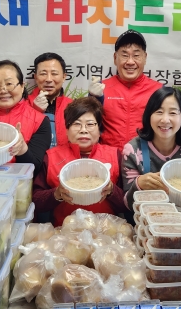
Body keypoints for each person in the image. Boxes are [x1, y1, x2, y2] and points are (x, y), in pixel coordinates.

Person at [32, 97, 126, 226]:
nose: (83, 130)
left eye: (90, 124)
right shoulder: (51, 157)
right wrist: (56, 194)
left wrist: (112, 190)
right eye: (76, 124)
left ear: (99, 130)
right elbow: (36, 201)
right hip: (65, 231)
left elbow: (127, 203)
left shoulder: (114, 155)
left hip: (106, 231)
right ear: (66, 130)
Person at [121, 87, 181, 209]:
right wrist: (139, 184)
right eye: (159, 112)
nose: (165, 120)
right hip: (144, 218)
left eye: (173, 113)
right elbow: (128, 205)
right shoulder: (132, 150)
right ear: (149, 115)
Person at [0, 60, 51, 175]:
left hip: (18, 184)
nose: (3, 90)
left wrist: (22, 149)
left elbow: (36, 169)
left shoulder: (39, 121)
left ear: (22, 86)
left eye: (9, 84)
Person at [89, 29, 162, 150]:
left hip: (144, 157)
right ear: (115, 58)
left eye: (136, 55)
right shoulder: (101, 88)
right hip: (109, 156)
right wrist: (92, 98)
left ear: (145, 57)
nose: (130, 62)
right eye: (124, 55)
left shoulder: (159, 91)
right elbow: (89, 124)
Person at [28, 52, 72, 148]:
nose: (48, 79)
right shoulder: (24, 104)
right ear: (35, 77)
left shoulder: (73, 106)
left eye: (54, 73)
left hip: (63, 157)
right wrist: (35, 111)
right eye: (43, 74)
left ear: (64, 77)